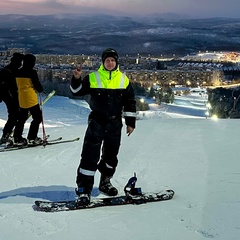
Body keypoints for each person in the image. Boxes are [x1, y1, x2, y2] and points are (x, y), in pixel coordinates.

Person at [70, 48, 136, 204]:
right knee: (89, 155)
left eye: (113, 60)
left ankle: (105, 182)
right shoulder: (93, 77)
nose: (110, 63)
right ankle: (84, 189)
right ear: (103, 62)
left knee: (111, 156)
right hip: (97, 122)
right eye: (107, 60)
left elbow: (130, 102)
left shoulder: (123, 79)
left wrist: (130, 123)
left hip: (115, 123)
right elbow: (76, 91)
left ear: (116, 62)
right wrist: (77, 78)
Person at [13, 54, 44, 145]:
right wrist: (41, 90)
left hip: (21, 98)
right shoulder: (32, 72)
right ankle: (32, 137)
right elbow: (37, 85)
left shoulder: (17, 72)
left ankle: (17, 137)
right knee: (37, 118)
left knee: (21, 119)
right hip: (31, 98)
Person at [0, 52, 24, 144]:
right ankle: (8, 135)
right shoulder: (13, 71)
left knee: (14, 115)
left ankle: (7, 134)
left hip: (6, 95)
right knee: (14, 115)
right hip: (9, 95)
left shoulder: (6, 69)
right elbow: (14, 86)